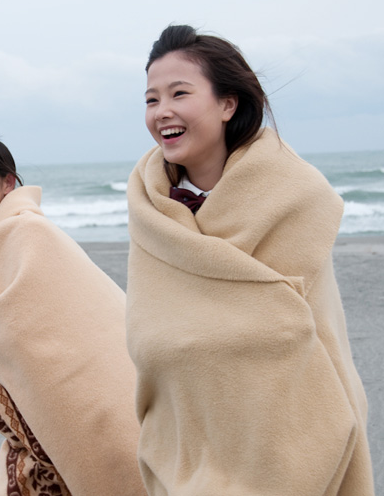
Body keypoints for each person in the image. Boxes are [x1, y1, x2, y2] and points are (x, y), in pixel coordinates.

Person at [126, 25, 374, 495]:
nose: (163, 112)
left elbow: (288, 337)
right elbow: (148, 338)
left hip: (293, 440)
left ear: (227, 103)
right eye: (151, 99)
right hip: (184, 450)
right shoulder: (151, 210)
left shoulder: (292, 197)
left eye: (180, 93)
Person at [0, 126, 146, 496]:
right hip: (38, 436)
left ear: (8, 183)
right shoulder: (1, 244)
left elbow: (86, 326)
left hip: (87, 419)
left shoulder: (31, 234)